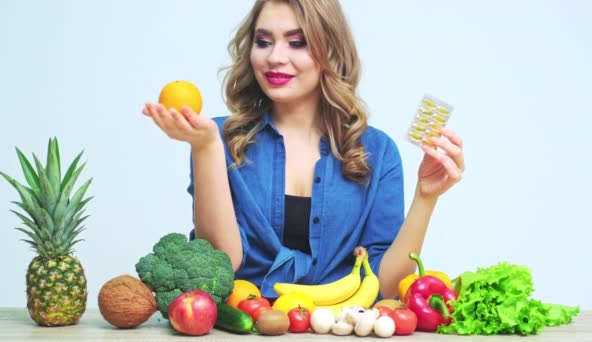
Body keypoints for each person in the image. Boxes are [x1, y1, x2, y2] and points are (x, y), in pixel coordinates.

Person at [142, 0, 464, 299]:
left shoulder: (377, 153)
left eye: (297, 43)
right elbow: (221, 265)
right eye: (263, 41)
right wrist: (205, 148)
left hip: (338, 328)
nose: (275, 57)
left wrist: (426, 196)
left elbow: (387, 286)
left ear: (332, 51)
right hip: (243, 327)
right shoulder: (218, 139)